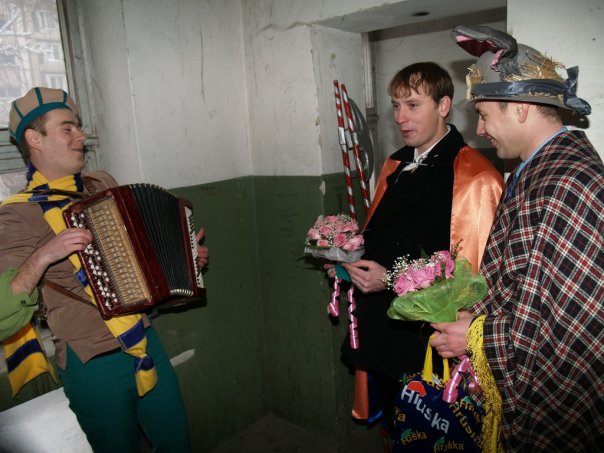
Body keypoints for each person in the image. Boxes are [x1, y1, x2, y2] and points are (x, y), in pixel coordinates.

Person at [0, 87, 209, 452]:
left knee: (177, 443)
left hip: (145, 339)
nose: (81, 136)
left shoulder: (101, 183)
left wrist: (185, 262)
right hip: (92, 362)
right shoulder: (16, 215)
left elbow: (138, 258)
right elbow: (4, 312)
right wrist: (44, 255)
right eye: (67, 128)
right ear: (35, 139)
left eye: (79, 126)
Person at [431, 26, 604, 452]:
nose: (479, 129)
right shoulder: (539, 169)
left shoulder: (571, 181)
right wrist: (475, 313)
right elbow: (525, 286)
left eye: (484, 114)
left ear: (521, 109)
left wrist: (476, 336)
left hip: (549, 410)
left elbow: (567, 332)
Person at [328, 62, 503, 442]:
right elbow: (380, 236)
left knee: (431, 433)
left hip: (426, 339)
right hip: (381, 327)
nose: (400, 117)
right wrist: (347, 261)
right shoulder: (396, 163)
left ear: (443, 105)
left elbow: (471, 279)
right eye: (396, 105)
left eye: (412, 105)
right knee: (395, 427)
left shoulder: (475, 176)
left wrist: (389, 279)